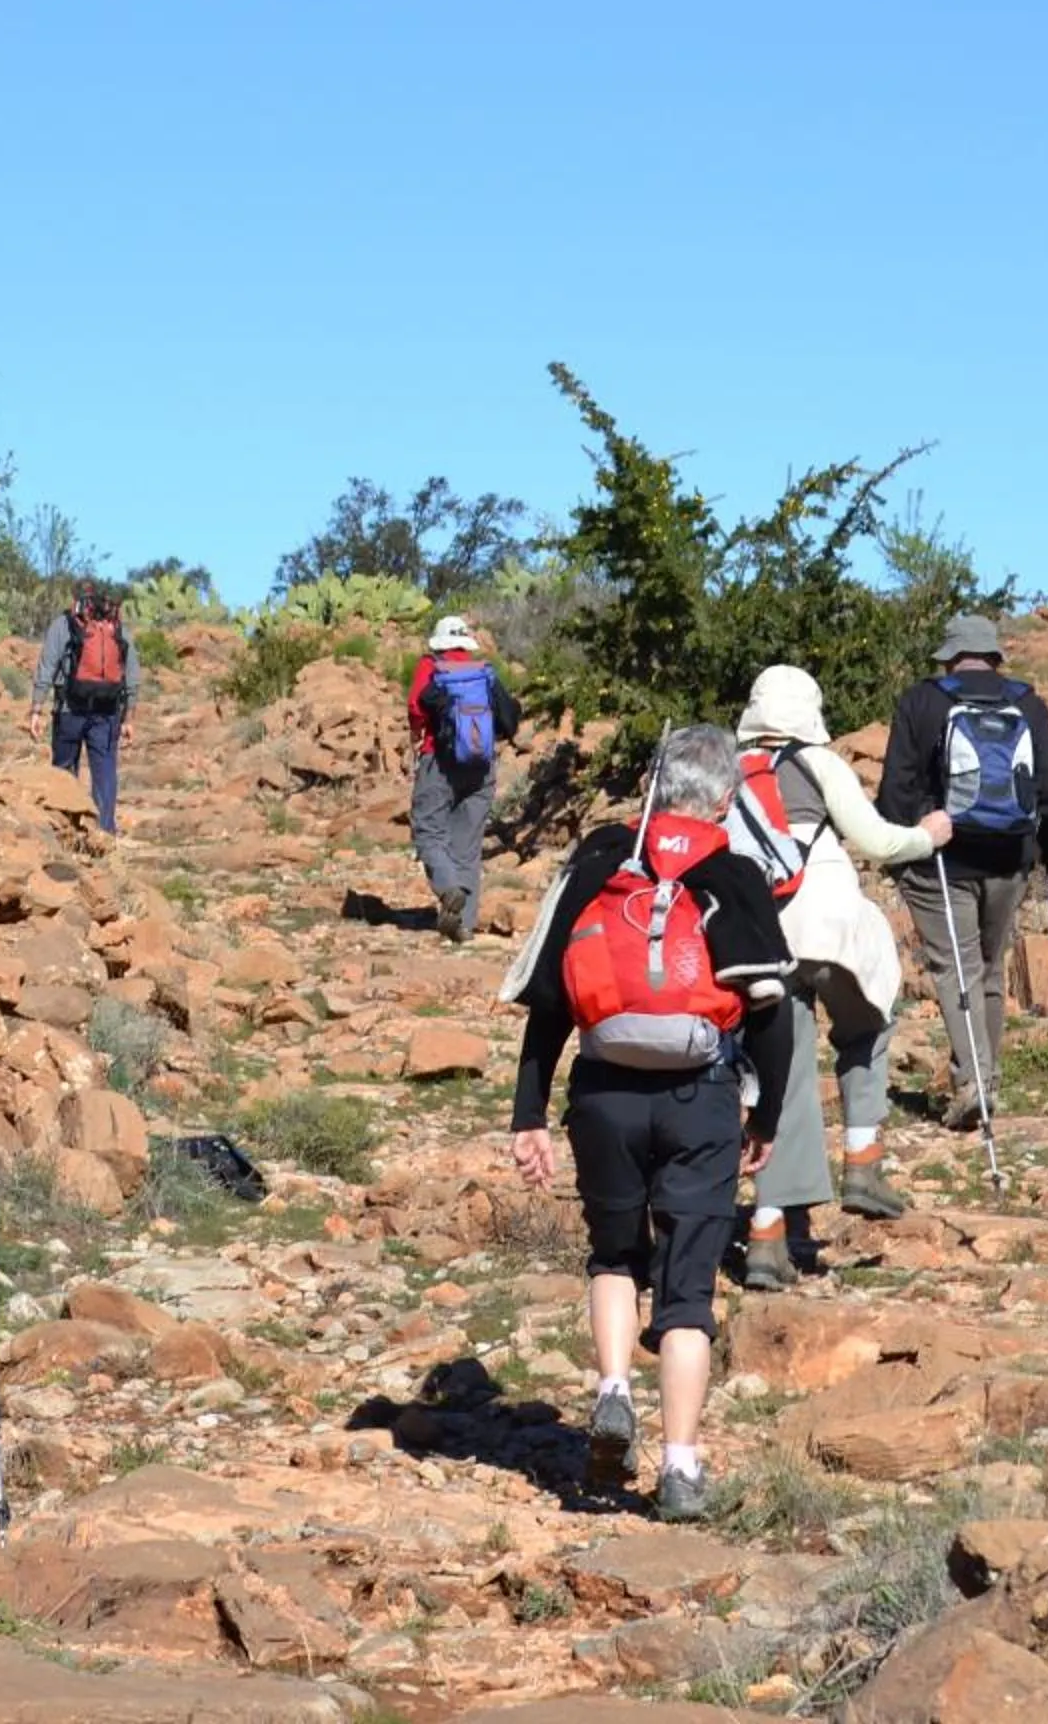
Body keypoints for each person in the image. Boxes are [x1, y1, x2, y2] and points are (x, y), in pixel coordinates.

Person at [506, 724, 795, 1521]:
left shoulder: (600, 861)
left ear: (654, 789)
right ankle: (680, 1466)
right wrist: (767, 1115)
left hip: (603, 1091)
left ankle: (611, 1391)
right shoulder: (732, 873)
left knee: (613, 1254)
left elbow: (548, 1002)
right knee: (687, 1290)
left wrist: (529, 1114)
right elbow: (771, 1015)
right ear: (726, 800)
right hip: (699, 1097)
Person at [730, 665, 953, 1290]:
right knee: (869, 1022)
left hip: (759, 946)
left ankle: (766, 1238)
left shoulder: (727, 769)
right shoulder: (817, 762)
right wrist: (927, 836)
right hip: (828, 933)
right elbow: (877, 841)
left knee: (783, 1082)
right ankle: (862, 1158)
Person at [874, 614, 1048, 1132]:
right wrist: (1047, 848)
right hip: (1009, 859)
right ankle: (986, 1079)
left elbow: (894, 793)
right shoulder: (1026, 703)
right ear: (993, 656)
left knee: (956, 969)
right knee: (988, 968)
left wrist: (905, 848)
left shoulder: (921, 701)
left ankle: (975, 1084)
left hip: (941, 860)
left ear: (949, 657)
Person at [406, 614, 521, 943]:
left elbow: (416, 707)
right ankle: (464, 925)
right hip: (481, 766)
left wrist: (417, 735)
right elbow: (509, 717)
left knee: (428, 832)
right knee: (467, 848)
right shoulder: (483, 671)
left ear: (439, 641)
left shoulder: (431, 667)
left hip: (439, 761)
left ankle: (447, 889)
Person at [27, 581, 139, 834]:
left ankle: (66, 829)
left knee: (65, 770)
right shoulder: (116, 627)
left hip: (69, 709)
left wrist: (36, 710)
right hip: (107, 710)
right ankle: (104, 832)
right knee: (105, 772)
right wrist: (129, 719)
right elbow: (132, 675)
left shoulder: (64, 624)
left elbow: (47, 666)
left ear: (75, 599)